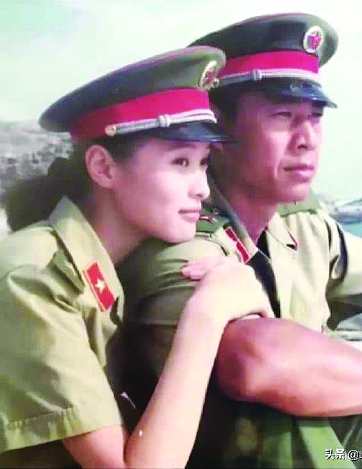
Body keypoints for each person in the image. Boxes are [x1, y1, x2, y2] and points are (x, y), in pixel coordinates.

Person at [118, 13, 362, 468]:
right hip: (236, 457)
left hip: (334, 452)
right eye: (283, 117)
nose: (307, 140)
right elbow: (257, 364)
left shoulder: (301, 224)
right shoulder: (180, 238)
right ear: (219, 130)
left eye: (314, 118)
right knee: (282, 407)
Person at [0, 46, 275, 468]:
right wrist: (207, 314)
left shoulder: (103, 269)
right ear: (103, 168)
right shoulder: (34, 278)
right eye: (180, 161)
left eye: (203, 163)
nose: (202, 188)